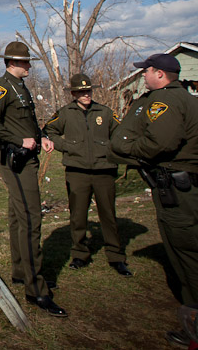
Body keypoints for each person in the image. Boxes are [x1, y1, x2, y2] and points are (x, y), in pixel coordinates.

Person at [110, 53, 198, 347]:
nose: (143, 75)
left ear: (159, 73)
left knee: (189, 260)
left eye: (146, 71)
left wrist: (126, 147)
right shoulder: (188, 99)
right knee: (197, 251)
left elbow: (160, 143)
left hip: (182, 193)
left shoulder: (165, 101)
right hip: (197, 189)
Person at [0, 41, 67, 318]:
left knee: (18, 217)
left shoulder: (20, 87)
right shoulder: (1, 87)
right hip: (14, 159)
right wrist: (20, 140)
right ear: (12, 63)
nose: (29, 65)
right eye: (25, 62)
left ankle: (21, 272)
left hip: (26, 156)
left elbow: (25, 122)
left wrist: (40, 138)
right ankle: (36, 290)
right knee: (31, 218)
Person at [44, 74, 132, 277]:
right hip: (77, 171)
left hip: (104, 170)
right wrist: (67, 146)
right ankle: (79, 254)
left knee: (108, 214)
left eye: (89, 91)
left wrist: (110, 149)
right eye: (82, 92)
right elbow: (49, 131)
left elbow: (121, 133)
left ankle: (116, 256)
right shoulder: (65, 113)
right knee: (78, 215)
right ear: (74, 94)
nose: (86, 95)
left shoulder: (105, 112)